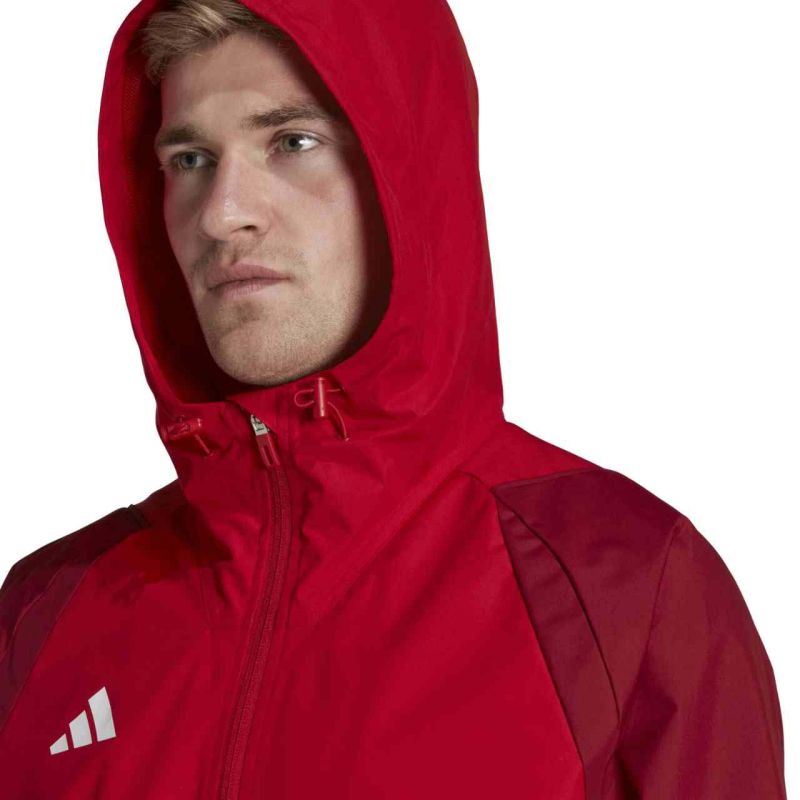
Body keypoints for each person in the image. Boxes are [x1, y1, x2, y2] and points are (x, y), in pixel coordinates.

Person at [0, 0, 786, 796]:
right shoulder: (48, 608)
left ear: (411, 173)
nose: (222, 214)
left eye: (292, 142)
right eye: (191, 159)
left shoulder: (624, 583)